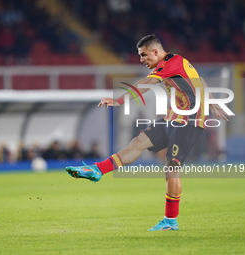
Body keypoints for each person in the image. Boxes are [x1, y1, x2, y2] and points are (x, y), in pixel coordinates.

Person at [65, 34, 230, 231]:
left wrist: (118, 100)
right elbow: (200, 80)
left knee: (171, 167)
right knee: (139, 141)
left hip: (190, 122)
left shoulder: (169, 64)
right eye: (140, 56)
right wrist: (212, 104)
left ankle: (170, 221)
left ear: (156, 51)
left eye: (144, 55)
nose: (142, 60)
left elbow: (146, 84)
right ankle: (98, 170)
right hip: (174, 118)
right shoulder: (179, 62)